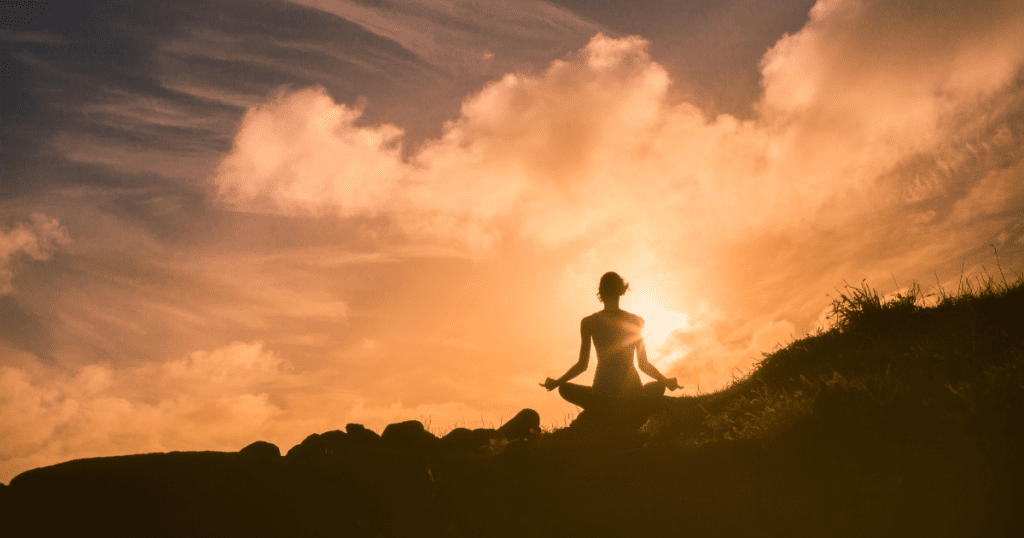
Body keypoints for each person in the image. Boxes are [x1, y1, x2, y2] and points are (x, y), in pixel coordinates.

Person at [541, 272, 680, 424]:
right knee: (657, 387)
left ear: (600, 292)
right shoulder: (636, 321)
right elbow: (643, 364)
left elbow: (582, 365)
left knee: (564, 389)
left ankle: (601, 413)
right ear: (621, 290)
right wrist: (666, 381)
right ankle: (633, 410)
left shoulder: (589, 323)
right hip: (632, 395)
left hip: (602, 396)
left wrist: (557, 382)